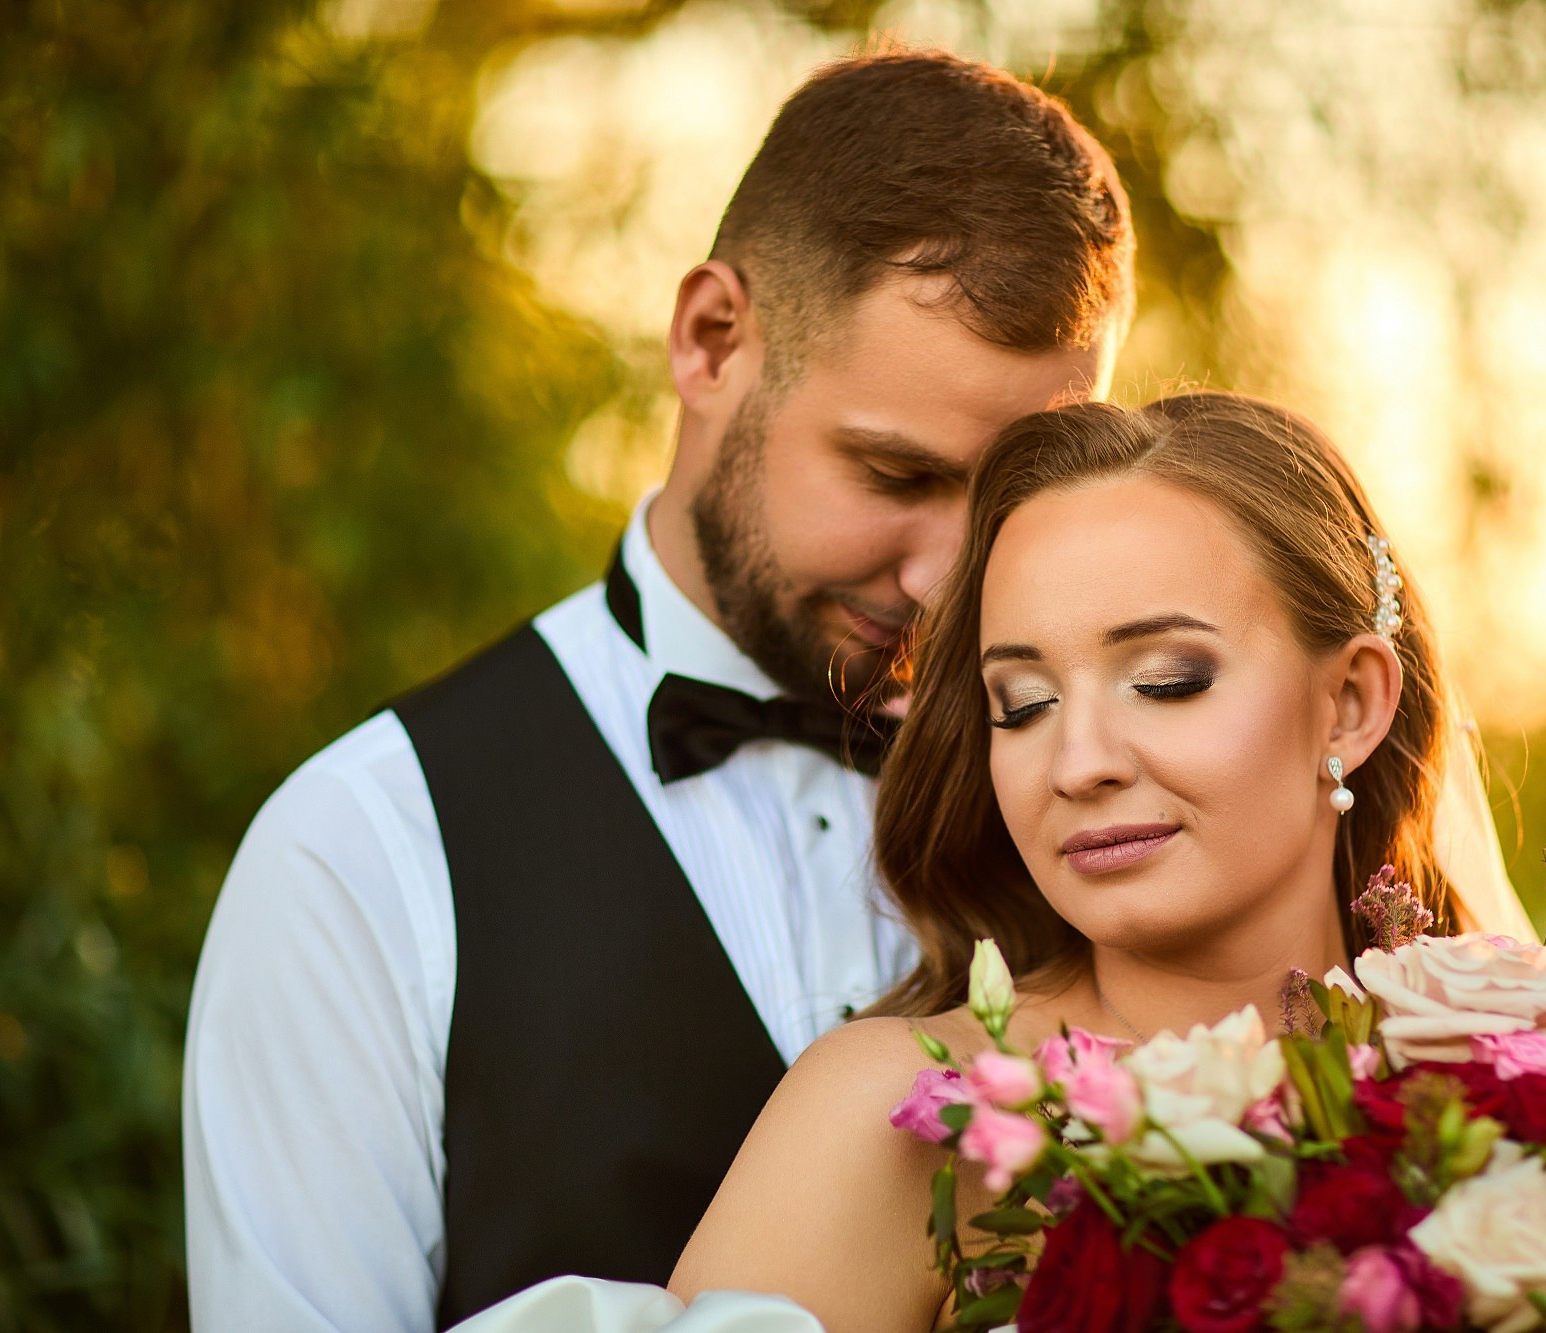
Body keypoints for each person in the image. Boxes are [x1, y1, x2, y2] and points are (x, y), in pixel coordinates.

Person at [182, 50, 1134, 1332]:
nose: (943, 577)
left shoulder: (1103, 811)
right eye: (893, 474)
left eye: (1005, 497)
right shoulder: (358, 851)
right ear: (710, 340)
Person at [668, 393, 1516, 1332]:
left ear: (1350, 704)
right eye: (1022, 704)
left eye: (1167, 682)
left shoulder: (1524, 1090)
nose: (1077, 765)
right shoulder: (898, 1117)